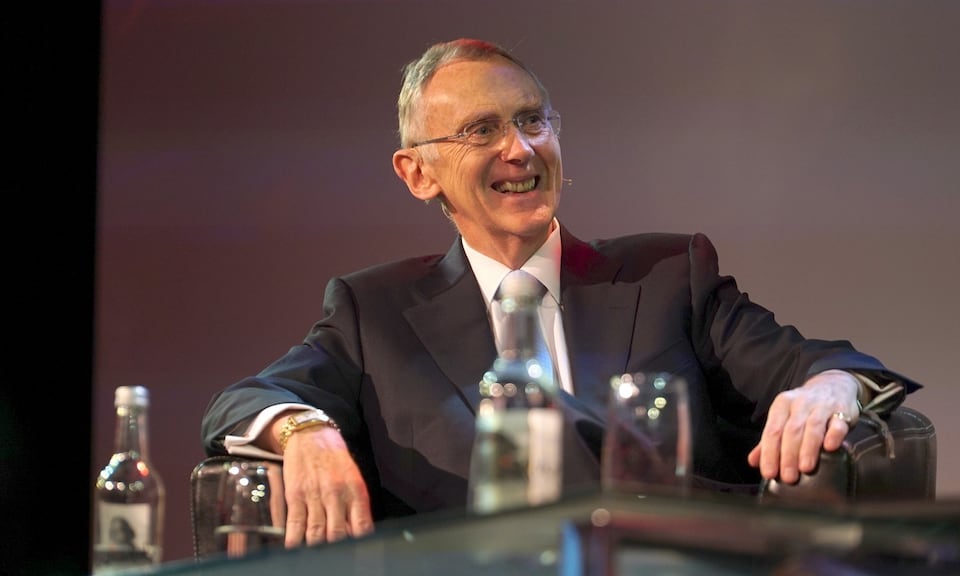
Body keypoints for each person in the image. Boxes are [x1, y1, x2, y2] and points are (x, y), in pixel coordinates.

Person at [201, 37, 920, 549]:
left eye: (532, 120)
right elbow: (244, 401)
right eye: (483, 130)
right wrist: (305, 430)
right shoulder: (376, 313)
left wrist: (832, 388)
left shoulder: (668, 276)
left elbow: (825, 363)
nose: (520, 149)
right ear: (417, 174)